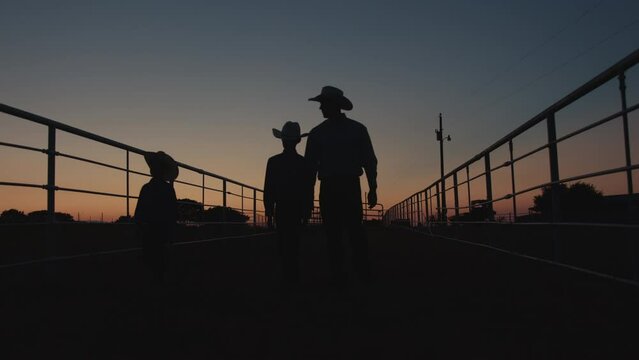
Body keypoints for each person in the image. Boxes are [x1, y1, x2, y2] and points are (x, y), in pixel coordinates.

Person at [305, 86, 378, 287]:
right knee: (353, 232)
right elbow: (369, 161)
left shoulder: (317, 133)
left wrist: (308, 195)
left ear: (333, 105)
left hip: (331, 187)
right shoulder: (357, 129)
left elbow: (310, 168)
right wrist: (372, 187)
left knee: (335, 234)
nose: (320, 108)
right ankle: (361, 274)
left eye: (323, 104)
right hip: (349, 186)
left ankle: (340, 275)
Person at [264, 122, 315, 289]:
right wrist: (307, 212)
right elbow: (308, 189)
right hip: (298, 207)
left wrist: (269, 211)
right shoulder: (304, 163)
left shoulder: (273, 162)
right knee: (295, 243)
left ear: (283, 141)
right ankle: (293, 276)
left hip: (282, 207)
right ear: (298, 141)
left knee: (283, 242)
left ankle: (286, 276)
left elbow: (269, 188)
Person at [134, 151, 179, 283]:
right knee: (160, 264)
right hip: (160, 232)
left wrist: (139, 227)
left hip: (151, 232)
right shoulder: (167, 189)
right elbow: (173, 212)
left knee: (153, 263)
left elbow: (139, 212)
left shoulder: (147, 188)